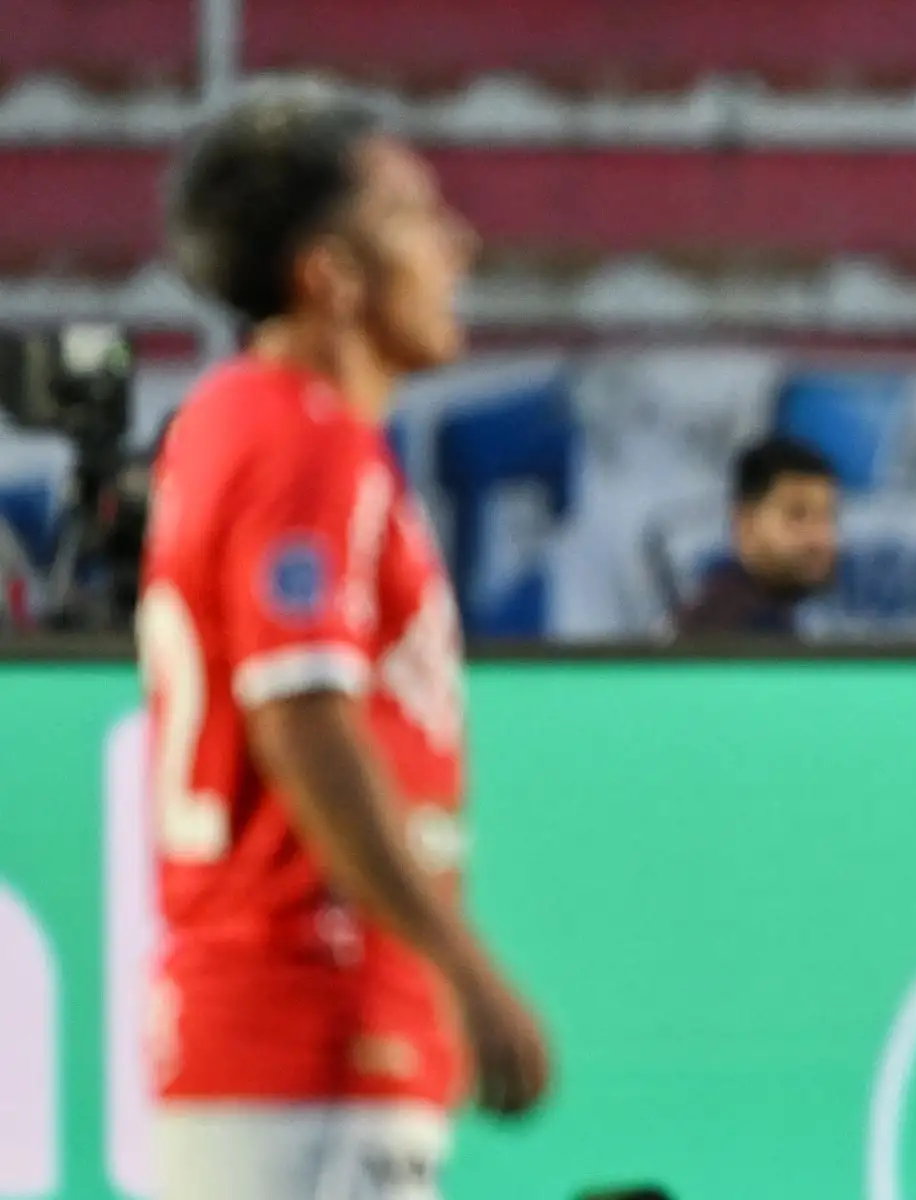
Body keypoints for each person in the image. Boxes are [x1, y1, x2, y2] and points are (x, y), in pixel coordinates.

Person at [141, 79, 551, 1199]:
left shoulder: (246, 425)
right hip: (312, 1027)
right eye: (415, 215)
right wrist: (462, 962)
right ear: (331, 274)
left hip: (275, 1040)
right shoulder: (302, 439)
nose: (458, 245)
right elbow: (304, 714)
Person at [673, 435, 839, 637]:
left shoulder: (779, 613)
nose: (819, 537)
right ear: (745, 524)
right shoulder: (736, 627)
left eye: (827, 516)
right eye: (797, 515)